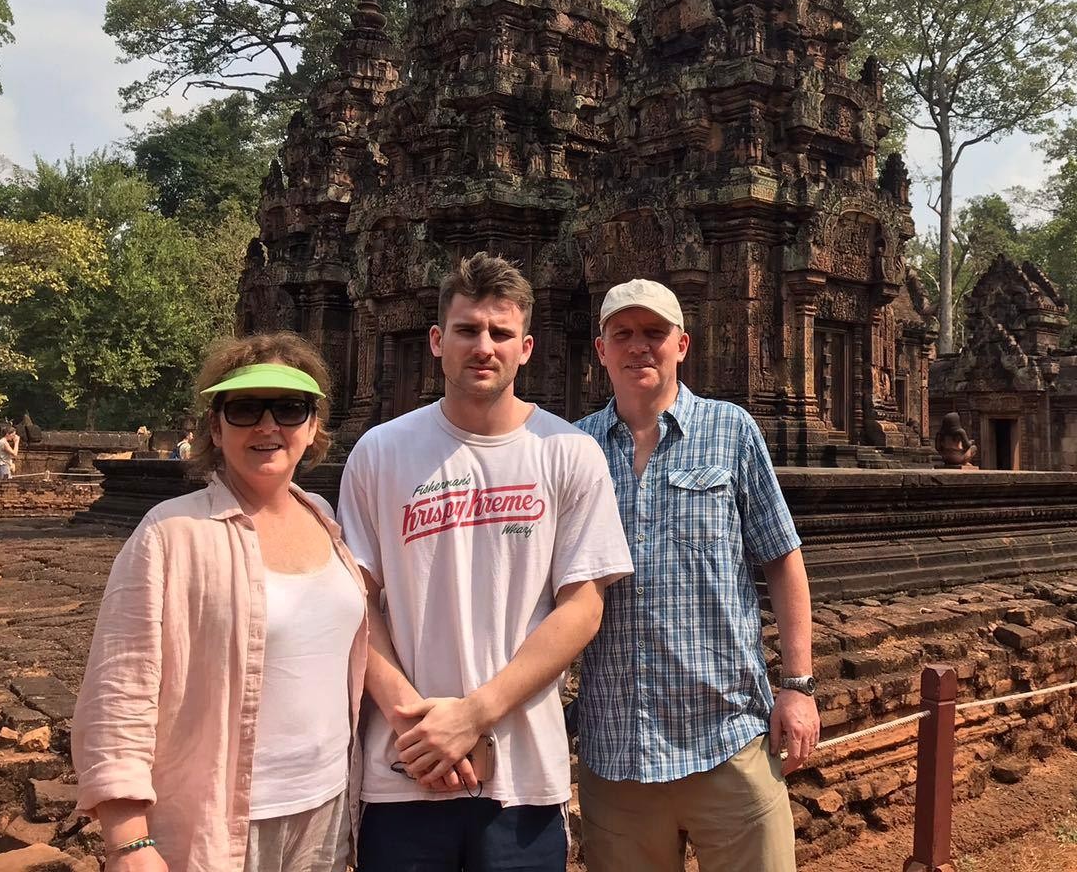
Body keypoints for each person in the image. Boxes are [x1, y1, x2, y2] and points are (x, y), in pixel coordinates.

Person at [338, 252, 633, 872]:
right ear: (436, 341)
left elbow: (582, 608)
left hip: (521, 775)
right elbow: (355, 603)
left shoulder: (569, 453)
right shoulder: (379, 453)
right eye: (467, 330)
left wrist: (473, 715)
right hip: (404, 769)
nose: (483, 346)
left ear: (526, 349)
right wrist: (417, 725)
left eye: (500, 333)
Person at [73, 332, 368, 872]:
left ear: (313, 426)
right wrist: (127, 839)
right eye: (245, 409)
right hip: (219, 819)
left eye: (289, 408)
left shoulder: (327, 520)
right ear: (215, 427)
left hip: (326, 807)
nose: (267, 425)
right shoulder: (172, 532)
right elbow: (121, 687)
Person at [574, 279, 820, 872]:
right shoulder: (574, 449)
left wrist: (798, 685)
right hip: (618, 748)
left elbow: (782, 557)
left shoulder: (731, 431)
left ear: (682, 345)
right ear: (601, 350)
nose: (639, 346)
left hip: (727, 738)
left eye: (654, 333)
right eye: (623, 334)